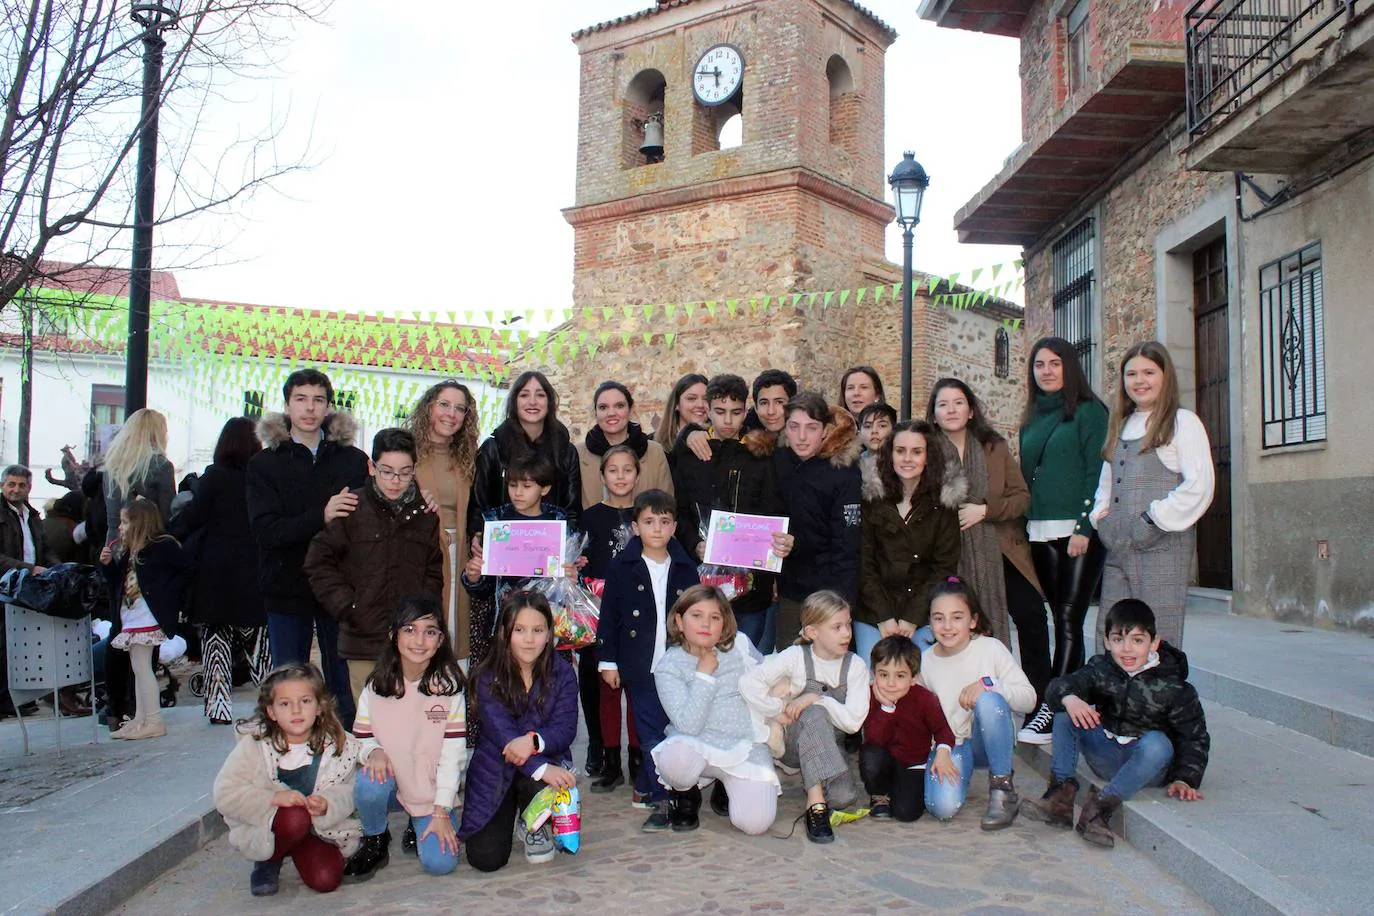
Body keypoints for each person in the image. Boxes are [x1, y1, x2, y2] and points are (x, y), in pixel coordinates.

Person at [1022, 598, 1209, 848]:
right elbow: (1059, 685)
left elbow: (1194, 737)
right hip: (1106, 753)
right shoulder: (1102, 668)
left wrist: (1185, 778)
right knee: (1066, 712)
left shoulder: (1175, 687)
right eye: (1118, 640)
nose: (1127, 649)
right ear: (1107, 642)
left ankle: (1099, 809)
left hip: (1146, 765)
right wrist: (1070, 698)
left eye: (1137, 640)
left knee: (1159, 743)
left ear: (1154, 642)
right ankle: (1060, 797)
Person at [248, 369, 370, 729]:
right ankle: (289, 757)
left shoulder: (351, 459)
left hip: (338, 587)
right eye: (300, 399)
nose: (309, 408)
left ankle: (345, 755)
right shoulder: (265, 463)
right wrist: (322, 515)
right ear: (287, 405)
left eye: (318, 400)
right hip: (286, 585)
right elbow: (266, 530)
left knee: (343, 685)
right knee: (290, 684)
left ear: (329, 406)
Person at [305, 428, 444, 705]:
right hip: (363, 640)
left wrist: (424, 613)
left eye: (404, 473)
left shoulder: (425, 515)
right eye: (387, 471)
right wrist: (347, 605)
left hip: (412, 643)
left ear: (414, 470)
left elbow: (433, 570)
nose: (395, 481)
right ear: (371, 467)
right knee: (370, 726)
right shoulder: (352, 509)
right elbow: (318, 562)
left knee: (411, 721)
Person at [1017, 337, 1110, 745]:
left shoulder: (1090, 412)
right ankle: (1070, 700)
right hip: (1039, 531)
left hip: (1076, 532)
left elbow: (1098, 470)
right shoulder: (1033, 416)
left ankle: (1052, 709)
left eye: (1056, 363)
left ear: (1070, 368)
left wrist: (1085, 526)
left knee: (1070, 621)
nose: (1048, 371)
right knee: (1059, 618)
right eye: (1040, 365)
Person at [1093, 342, 1215, 650]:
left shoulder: (1182, 422)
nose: (1139, 380)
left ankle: (1157, 698)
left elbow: (1199, 486)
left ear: (1165, 376)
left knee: (1158, 636)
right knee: (1112, 635)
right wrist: (1100, 519)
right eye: (1131, 373)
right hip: (1119, 545)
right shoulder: (1120, 424)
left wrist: (1152, 519)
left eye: (1149, 372)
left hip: (1162, 547)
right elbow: (1107, 482)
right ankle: (1112, 699)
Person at [597, 489, 701, 830]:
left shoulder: (686, 568)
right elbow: (609, 615)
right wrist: (608, 662)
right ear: (636, 526)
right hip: (639, 665)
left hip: (677, 665)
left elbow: (699, 615)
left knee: (673, 728)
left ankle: (646, 785)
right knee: (651, 732)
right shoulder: (622, 567)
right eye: (649, 521)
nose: (657, 529)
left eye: (665, 522)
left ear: (674, 527)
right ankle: (661, 797)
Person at [928, 378, 1046, 674]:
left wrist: (985, 511)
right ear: (934, 414)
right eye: (943, 404)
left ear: (970, 411)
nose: (951, 410)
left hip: (1001, 549)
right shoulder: (926, 453)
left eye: (958, 403)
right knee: (956, 623)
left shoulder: (994, 447)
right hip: (950, 554)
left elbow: (1021, 497)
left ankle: (1038, 697)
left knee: (1031, 613)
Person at [345, 595, 467, 880]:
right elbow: (360, 739)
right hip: (390, 782)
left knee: (440, 864)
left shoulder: (449, 688)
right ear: (393, 635)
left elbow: (454, 755)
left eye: (430, 631)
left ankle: (419, 819)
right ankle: (375, 837)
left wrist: (440, 811)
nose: (419, 640)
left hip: (429, 790)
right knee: (368, 783)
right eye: (409, 629)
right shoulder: (376, 686)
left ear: (440, 641)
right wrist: (372, 751)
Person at [213, 662, 361, 897]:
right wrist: (273, 798)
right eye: (285, 704)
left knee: (326, 880)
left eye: (305, 701)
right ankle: (270, 859)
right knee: (293, 816)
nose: (296, 711)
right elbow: (225, 793)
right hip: (274, 826)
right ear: (271, 711)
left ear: (320, 706)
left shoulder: (338, 744)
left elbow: (352, 787)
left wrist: (328, 803)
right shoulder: (255, 745)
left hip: (317, 829)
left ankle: (299, 848)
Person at [461, 590, 579, 871]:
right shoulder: (487, 674)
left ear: (549, 633)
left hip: (542, 766)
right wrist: (541, 768)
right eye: (520, 630)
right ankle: (511, 810)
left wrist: (535, 742)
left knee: (540, 777)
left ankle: (534, 824)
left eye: (538, 630)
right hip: (495, 769)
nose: (529, 639)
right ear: (504, 633)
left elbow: (566, 728)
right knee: (485, 859)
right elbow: (504, 735)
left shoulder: (562, 672)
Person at [739, 590, 869, 844]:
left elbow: (853, 722)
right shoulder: (795, 656)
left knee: (843, 798)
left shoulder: (856, 666)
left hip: (830, 747)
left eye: (848, 625)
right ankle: (815, 804)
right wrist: (776, 709)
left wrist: (817, 698)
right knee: (814, 714)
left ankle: (823, 790)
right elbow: (748, 683)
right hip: (792, 745)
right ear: (812, 633)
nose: (846, 633)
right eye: (837, 627)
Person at [652, 584, 779, 835]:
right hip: (695, 743)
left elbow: (768, 678)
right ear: (679, 621)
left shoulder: (740, 645)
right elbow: (689, 725)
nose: (705, 624)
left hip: (742, 745)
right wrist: (704, 675)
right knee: (674, 760)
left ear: (725, 623)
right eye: (696, 616)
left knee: (755, 824)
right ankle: (687, 795)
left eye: (715, 617)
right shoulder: (669, 665)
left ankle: (727, 784)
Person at [672, 373, 785, 650]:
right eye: (720, 412)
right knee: (702, 656)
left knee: (747, 657)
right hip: (702, 579)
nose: (727, 421)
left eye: (735, 413)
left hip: (752, 583)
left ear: (745, 412)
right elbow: (681, 511)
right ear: (707, 410)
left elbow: (771, 512)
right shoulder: (691, 453)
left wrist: (771, 574)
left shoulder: (759, 454)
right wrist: (694, 543)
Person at [170, 417, 270, 724]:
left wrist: (164, 533)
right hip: (254, 570)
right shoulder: (262, 477)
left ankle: (218, 707)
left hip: (216, 574)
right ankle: (271, 703)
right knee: (258, 642)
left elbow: (194, 517)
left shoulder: (215, 476)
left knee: (216, 641)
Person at [919, 578, 1036, 830]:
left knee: (989, 700)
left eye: (957, 617)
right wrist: (939, 750)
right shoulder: (925, 662)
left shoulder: (990, 649)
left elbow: (1029, 699)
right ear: (929, 622)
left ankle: (1002, 788)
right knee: (942, 808)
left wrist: (989, 683)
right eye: (938, 618)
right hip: (953, 745)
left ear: (972, 620)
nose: (947, 626)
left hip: (990, 739)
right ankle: (961, 772)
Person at [855, 419, 962, 662]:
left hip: (922, 612)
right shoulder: (871, 498)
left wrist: (912, 617)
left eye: (916, 452)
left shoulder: (943, 504)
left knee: (920, 679)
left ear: (928, 457)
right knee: (875, 677)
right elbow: (864, 562)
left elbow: (943, 567)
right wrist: (883, 616)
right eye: (900, 451)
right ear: (889, 454)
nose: (907, 459)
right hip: (874, 611)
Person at [462, 452, 574, 663]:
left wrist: (571, 576)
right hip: (505, 625)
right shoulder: (497, 523)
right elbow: (484, 588)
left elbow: (567, 585)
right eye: (513, 485)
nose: (518, 493)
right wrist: (474, 577)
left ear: (545, 488)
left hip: (546, 626)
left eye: (527, 486)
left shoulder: (558, 524)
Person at [772, 393, 861, 651]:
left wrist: (843, 603)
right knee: (788, 664)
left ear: (824, 431)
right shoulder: (778, 461)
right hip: (790, 590)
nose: (802, 437)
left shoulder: (843, 472)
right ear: (785, 428)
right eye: (794, 427)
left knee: (830, 669)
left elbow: (848, 546)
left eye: (811, 428)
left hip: (830, 591)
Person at [578, 444, 642, 792]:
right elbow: (582, 562)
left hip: (638, 618)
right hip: (600, 618)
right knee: (604, 689)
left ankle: (637, 759)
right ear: (602, 476)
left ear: (636, 474)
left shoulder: (645, 514)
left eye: (627, 469)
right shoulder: (591, 518)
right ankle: (609, 761)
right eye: (613, 470)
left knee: (634, 688)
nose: (620, 476)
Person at [98, 499, 189, 740]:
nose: (120, 527)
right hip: (132, 616)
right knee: (138, 668)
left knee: (142, 667)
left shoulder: (163, 547)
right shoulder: (131, 551)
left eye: (125, 522)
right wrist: (107, 566)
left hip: (146, 616)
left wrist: (173, 601)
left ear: (139, 523)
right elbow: (118, 583)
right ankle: (141, 718)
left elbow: (185, 573)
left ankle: (154, 719)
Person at [407, 380, 479, 662]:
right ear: (429, 407)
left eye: (460, 409)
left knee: (453, 636)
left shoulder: (468, 457)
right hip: (420, 556)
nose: (452, 414)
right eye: (444, 405)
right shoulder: (407, 451)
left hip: (458, 554)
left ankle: (450, 704)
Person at [469, 370, 581, 535]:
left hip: (549, 548)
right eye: (524, 395)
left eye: (540, 395)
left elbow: (572, 509)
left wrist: (568, 544)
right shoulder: (493, 449)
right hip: (502, 546)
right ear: (514, 402)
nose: (532, 402)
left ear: (550, 402)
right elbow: (478, 505)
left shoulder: (566, 451)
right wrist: (478, 535)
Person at [861, 636, 955, 823]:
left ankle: (900, 790)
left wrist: (943, 752)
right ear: (874, 673)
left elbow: (943, 730)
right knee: (870, 755)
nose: (890, 683)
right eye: (883, 674)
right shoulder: (870, 696)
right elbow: (874, 738)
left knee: (906, 813)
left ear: (914, 678)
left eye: (900, 676)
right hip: (883, 759)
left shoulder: (925, 699)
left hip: (913, 763)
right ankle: (879, 794)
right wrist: (887, 708)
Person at [0, 465, 56, 718]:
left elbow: (42, 547)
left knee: (21, 644)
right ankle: (4, 701)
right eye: (11, 484)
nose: (16, 489)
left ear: (29, 488)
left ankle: (19, 698)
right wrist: (30, 568)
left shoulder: (31, 515)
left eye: (21, 485)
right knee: (3, 644)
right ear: (3, 485)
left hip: (26, 586)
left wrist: (59, 568)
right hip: (6, 583)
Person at [576, 380, 673, 508]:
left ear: (630, 410)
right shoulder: (578, 453)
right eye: (603, 407)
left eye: (619, 406)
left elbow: (667, 505)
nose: (611, 413)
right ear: (595, 412)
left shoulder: (654, 452)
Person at [101, 408, 175, 544]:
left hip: (114, 544)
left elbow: (112, 519)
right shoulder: (162, 466)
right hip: (147, 545)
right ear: (156, 435)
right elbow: (166, 516)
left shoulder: (112, 467)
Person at [654, 373, 709, 460]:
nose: (700, 405)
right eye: (691, 398)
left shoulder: (718, 441)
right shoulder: (653, 445)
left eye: (706, 399)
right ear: (676, 404)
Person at [746, 368, 797, 434]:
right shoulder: (744, 439)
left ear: (793, 405)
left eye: (779, 402)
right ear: (756, 407)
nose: (771, 412)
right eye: (764, 403)